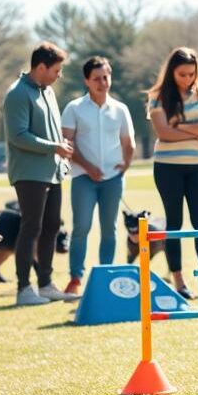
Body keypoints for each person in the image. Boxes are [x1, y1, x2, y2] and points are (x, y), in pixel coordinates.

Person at [147, 47, 198, 299]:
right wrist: (196, 129)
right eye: (182, 74)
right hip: (167, 167)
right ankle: (179, 281)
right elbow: (163, 133)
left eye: (192, 74)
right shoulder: (158, 95)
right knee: (174, 223)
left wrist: (179, 125)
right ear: (172, 72)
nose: (187, 79)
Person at [3, 41, 78, 305]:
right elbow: (18, 136)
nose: (60, 75)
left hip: (52, 171)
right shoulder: (17, 93)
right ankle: (24, 289)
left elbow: (52, 132)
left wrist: (60, 150)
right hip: (29, 173)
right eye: (56, 70)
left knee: (52, 226)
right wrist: (54, 147)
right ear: (42, 67)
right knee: (31, 227)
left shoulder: (47, 92)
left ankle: (45, 284)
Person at [61, 57, 135, 296]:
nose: (102, 83)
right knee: (81, 227)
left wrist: (125, 166)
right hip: (83, 177)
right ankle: (75, 278)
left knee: (109, 228)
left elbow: (128, 143)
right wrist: (88, 167)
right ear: (86, 81)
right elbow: (67, 143)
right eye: (96, 79)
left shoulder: (120, 109)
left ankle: (106, 275)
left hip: (113, 179)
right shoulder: (74, 108)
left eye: (106, 77)